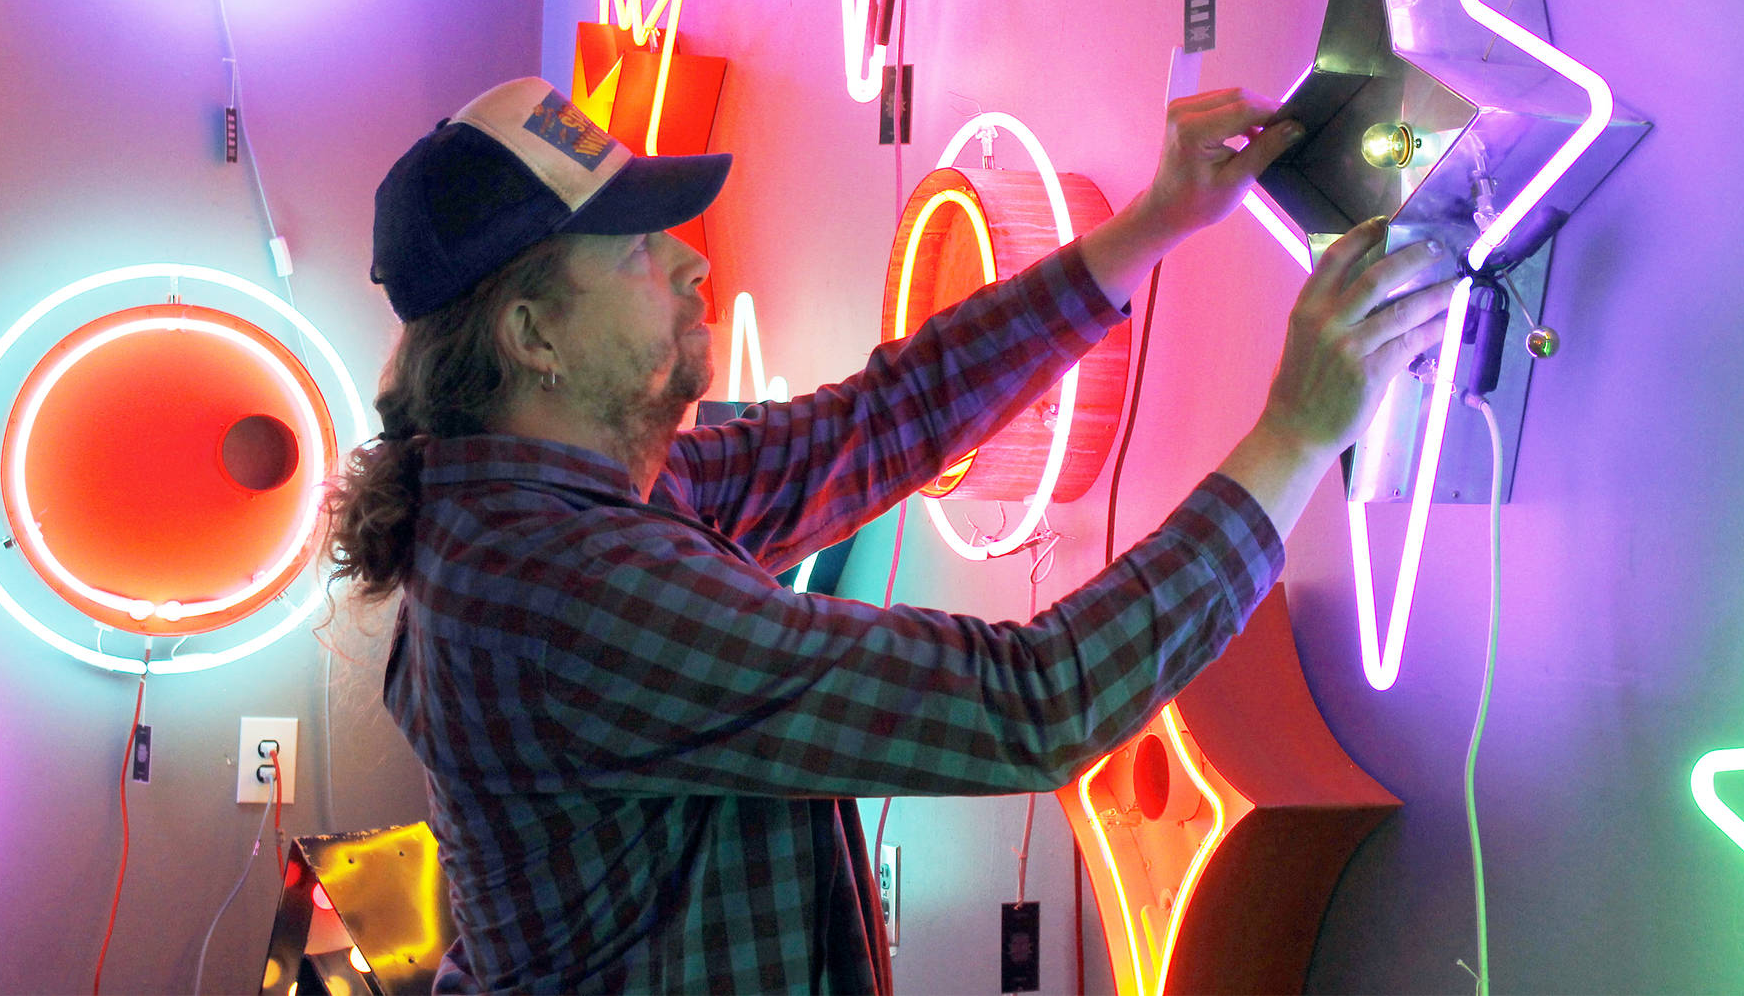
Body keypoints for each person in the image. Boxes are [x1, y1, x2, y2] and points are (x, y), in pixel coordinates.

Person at [325, 75, 1452, 995]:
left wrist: (1147, 226)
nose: (687, 260)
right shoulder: (561, 588)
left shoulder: (558, 496)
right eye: (628, 249)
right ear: (533, 337)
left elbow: (878, 424)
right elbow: (1030, 704)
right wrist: (1299, 433)